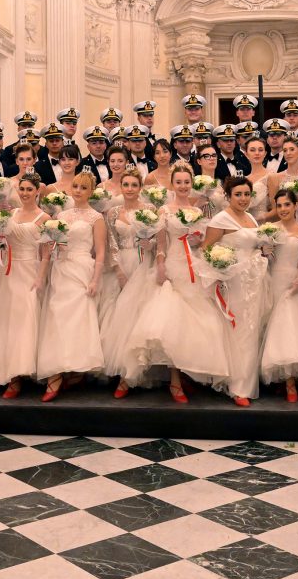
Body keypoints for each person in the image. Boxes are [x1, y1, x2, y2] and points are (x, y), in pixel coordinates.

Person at [126, 163, 231, 401]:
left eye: (187, 182)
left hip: (193, 265)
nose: (183, 186)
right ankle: (174, 381)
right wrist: (161, 264)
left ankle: (188, 373)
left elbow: (204, 241)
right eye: (179, 182)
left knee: (201, 322)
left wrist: (196, 240)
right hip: (173, 264)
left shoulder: (198, 210)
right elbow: (161, 244)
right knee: (172, 322)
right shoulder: (164, 210)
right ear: (172, 185)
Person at [35, 171, 107, 401]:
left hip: (82, 269)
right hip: (61, 269)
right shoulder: (61, 215)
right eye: (75, 186)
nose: (78, 191)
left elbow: (101, 251)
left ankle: (75, 369)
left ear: (91, 192)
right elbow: (50, 245)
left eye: (83, 188)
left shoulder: (96, 218)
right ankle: (55, 372)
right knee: (57, 318)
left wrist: (95, 279)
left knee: (77, 320)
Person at [201, 176, 269, 406]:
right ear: (228, 197)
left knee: (252, 329)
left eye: (246, 194)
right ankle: (238, 386)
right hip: (234, 280)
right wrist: (220, 270)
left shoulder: (250, 217)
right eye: (238, 195)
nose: (243, 199)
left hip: (255, 279)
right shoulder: (221, 218)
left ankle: (246, 383)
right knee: (238, 330)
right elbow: (206, 250)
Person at [0, 173, 51, 398]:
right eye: (21, 189)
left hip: (31, 271)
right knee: (9, 321)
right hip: (9, 270)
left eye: (29, 190)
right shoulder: (10, 213)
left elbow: (46, 253)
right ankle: (12, 376)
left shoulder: (44, 218)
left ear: (37, 192)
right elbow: (0, 239)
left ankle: (26, 369)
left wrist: (40, 277)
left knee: (28, 320)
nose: (24, 193)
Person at [102, 169, 160, 396]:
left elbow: (159, 239)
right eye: (125, 184)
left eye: (134, 185)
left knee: (141, 316)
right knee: (121, 317)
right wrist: (118, 271)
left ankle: (136, 371)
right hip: (123, 264)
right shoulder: (113, 212)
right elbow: (111, 243)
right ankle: (124, 373)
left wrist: (151, 244)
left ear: (140, 188)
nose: (129, 189)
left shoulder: (150, 210)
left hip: (144, 264)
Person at [260, 189, 298, 401]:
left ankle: (291, 383)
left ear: (295, 205)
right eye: (279, 205)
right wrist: (265, 250)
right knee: (272, 325)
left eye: (286, 205)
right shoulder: (270, 230)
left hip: (294, 282)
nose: (282, 209)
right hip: (273, 280)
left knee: (291, 327)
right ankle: (282, 379)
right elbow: (263, 256)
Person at [242, 137, 272, 220]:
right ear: (246, 154)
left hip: (265, 225)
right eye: (252, 150)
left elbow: (277, 209)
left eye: (260, 150)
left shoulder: (272, 177)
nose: (257, 153)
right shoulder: (244, 180)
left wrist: (258, 218)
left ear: (265, 153)